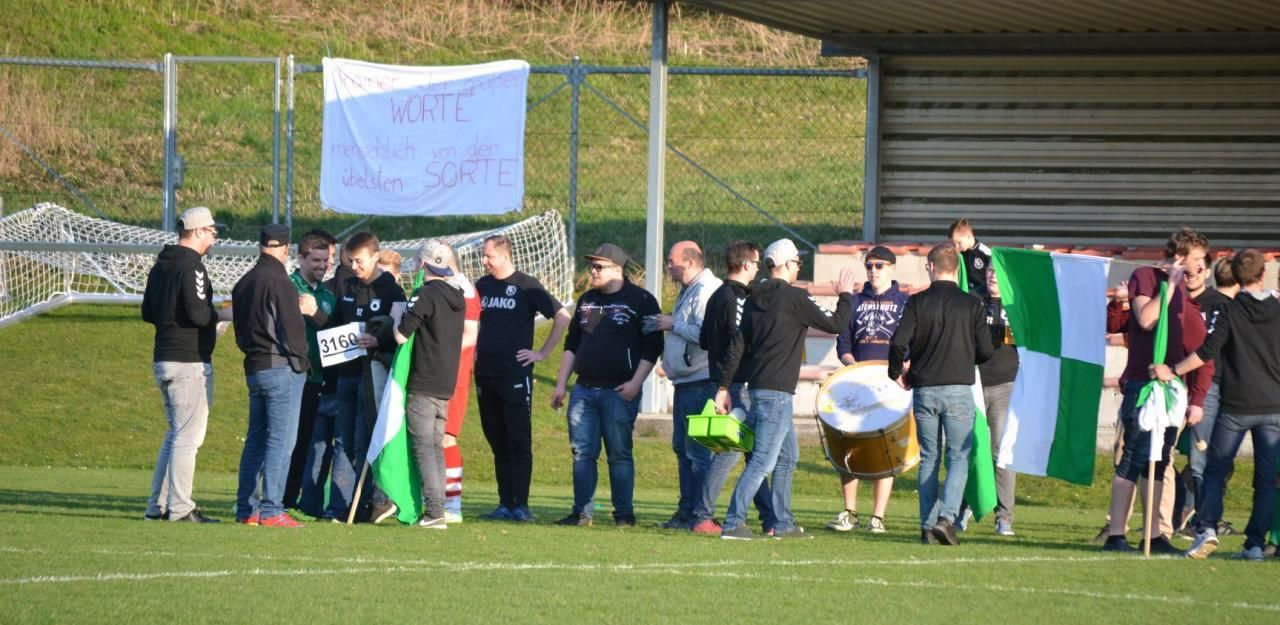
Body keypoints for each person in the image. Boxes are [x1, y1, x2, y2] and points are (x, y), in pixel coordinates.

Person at [715, 239, 858, 540]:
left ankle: (782, 523)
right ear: (787, 265)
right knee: (764, 461)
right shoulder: (795, 297)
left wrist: (723, 388)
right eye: (797, 263)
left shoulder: (752, 297)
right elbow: (835, 324)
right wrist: (846, 295)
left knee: (787, 457)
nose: (799, 268)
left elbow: (736, 347)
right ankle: (733, 521)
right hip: (777, 393)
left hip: (759, 388)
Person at [1153, 249, 1280, 561]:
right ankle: (1253, 544)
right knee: (1265, 480)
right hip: (1273, 405)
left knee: (1214, 468)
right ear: (1263, 275)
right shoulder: (1277, 308)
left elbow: (1208, 350)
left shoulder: (1229, 309)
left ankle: (1207, 528)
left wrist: (1174, 370)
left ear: (1235, 277)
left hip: (1237, 404)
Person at [1101, 227, 1211, 553]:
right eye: (1195, 260)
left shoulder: (1185, 297)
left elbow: (1196, 344)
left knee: (1159, 460)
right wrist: (1171, 285)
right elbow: (1147, 319)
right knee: (1133, 459)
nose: (1199, 268)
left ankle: (1154, 535)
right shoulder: (1146, 276)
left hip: (1168, 388)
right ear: (1179, 257)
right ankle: (1116, 534)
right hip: (1141, 385)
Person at [888, 243, 993, 546]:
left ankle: (927, 525)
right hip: (959, 388)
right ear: (958, 269)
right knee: (958, 456)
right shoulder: (972, 303)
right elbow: (985, 350)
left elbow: (898, 343)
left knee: (929, 459)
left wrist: (897, 372)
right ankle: (947, 519)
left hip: (924, 389)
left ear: (931, 267)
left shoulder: (917, 302)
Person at [550, 243, 662, 527]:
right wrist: (561, 384)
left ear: (618, 269)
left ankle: (624, 514)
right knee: (582, 453)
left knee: (619, 452)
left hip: (618, 391)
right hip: (584, 389)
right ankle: (581, 513)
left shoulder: (641, 300)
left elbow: (652, 347)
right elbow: (572, 344)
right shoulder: (587, 300)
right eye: (592, 266)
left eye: (599, 266)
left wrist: (636, 384)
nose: (593, 271)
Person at [141, 206, 232, 523]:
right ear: (197, 232)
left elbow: (148, 312)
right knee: (188, 438)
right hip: (188, 359)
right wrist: (217, 318)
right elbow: (197, 312)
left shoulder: (161, 265)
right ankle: (180, 508)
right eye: (211, 231)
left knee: (175, 434)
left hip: (163, 356)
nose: (214, 237)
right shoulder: (192, 266)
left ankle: (158, 506)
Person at [474, 234, 570, 522]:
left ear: (504, 255)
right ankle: (504, 503)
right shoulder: (483, 285)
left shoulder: (526, 285)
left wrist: (541, 353)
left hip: (514, 376)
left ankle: (521, 505)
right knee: (497, 440)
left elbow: (562, 316)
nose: (484, 260)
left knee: (518, 440)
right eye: (484, 255)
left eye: (489, 255)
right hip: (485, 375)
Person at [690, 241, 775, 536]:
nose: (758, 268)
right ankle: (702, 515)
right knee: (730, 451)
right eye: (756, 263)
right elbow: (740, 342)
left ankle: (770, 518)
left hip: (721, 381)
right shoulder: (738, 297)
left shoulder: (716, 295)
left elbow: (704, 340)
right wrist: (726, 386)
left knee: (753, 452)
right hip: (734, 385)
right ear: (746, 264)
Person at [231, 224, 312, 527]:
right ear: (287, 249)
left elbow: (240, 333)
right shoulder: (281, 282)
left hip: (254, 366)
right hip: (281, 368)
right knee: (281, 441)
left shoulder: (244, 282)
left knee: (255, 440)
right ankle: (271, 509)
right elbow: (293, 330)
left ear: (260, 245)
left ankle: (246, 509)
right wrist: (302, 361)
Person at [825, 245, 908, 535]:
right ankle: (849, 511)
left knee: (883, 447)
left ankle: (878, 517)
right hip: (857, 381)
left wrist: (897, 369)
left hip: (890, 382)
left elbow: (909, 344)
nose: (873, 271)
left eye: (880, 266)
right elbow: (844, 343)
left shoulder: (904, 302)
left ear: (892, 268)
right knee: (849, 443)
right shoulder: (856, 301)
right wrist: (853, 366)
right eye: (869, 266)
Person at [329, 232, 407, 523]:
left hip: (372, 377)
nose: (355, 266)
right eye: (351, 261)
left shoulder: (391, 292)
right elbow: (334, 328)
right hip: (345, 374)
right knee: (344, 442)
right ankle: (343, 506)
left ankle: (373, 503)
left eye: (359, 261)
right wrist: (314, 315)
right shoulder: (347, 285)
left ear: (375, 257)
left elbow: (402, 336)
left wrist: (380, 342)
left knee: (365, 441)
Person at [389, 240, 466, 529]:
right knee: (435, 447)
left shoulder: (427, 294)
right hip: (445, 383)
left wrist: (397, 315)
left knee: (424, 449)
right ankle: (439, 508)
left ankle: (434, 512)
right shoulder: (457, 297)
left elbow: (401, 335)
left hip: (423, 381)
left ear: (422, 264)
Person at [653, 241, 722, 530]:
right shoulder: (689, 289)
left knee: (696, 452)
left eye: (672, 261)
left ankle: (699, 515)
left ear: (690, 262)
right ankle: (686, 513)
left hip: (701, 382)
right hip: (685, 382)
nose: (668, 266)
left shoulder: (706, 290)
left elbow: (706, 334)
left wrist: (671, 324)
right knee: (683, 450)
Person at [1181, 257, 1239, 532]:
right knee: (1202, 460)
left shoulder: (1216, 304)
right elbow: (1210, 350)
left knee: (1206, 459)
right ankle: (1201, 520)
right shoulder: (1222, 306)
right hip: (1206, 386)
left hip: (1205, 384)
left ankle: (1201, 516)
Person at [284, 231, 336, 513]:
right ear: (300, 258)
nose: (322, 265)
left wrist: (316, 314)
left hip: (318, 380)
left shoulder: (328, 296)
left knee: (305, 443)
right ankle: (264, 499)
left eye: (326, 260)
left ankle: (290, 500)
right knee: (283, 441)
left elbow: (336, 333)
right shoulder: (287, 288)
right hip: (291, 376)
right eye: (316, 259)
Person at [440, 242, 479, 523]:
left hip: (453, 376)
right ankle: (434, 498)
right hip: (436, 373)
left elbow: (470, 335)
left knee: (445, 438)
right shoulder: (439, 287)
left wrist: (440, 354)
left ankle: (452, 505)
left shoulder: (464, 290)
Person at [949, 218, 991, 302]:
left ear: (968, 236)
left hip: (984, 297)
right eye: (954, 244)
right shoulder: (961, 254)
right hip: (968, 296)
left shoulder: (985, 253)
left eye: (959, 243)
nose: (956, 247)